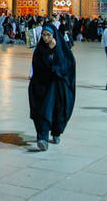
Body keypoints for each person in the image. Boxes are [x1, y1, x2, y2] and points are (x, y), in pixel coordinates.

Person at [28, 22, 76, 151]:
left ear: (54, 35)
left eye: (48, 35)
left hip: (57, 86)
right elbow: (37, 66)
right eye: (43, 35)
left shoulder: (61, 49)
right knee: (43, 111)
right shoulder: (40, 50)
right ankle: (42, 137)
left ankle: (56, 132)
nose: (45, 38)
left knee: (58, 110)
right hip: (42, 85)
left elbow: (68, 65)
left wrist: (56, 66)